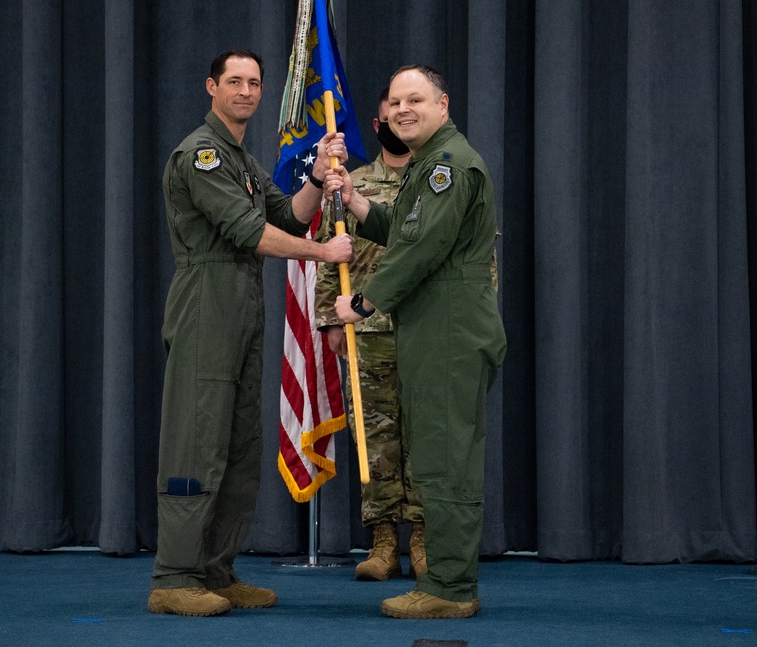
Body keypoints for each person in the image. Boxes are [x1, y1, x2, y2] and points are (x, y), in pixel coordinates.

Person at [148, 49, 353, 618]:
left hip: (240, 306)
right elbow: (249, 232)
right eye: (234, 81)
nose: (246, 90)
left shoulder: (241, 159)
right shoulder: (203, 155)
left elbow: (287, 215)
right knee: (196, 444)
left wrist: (315, 176)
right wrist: (323, 251)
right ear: (211, 86)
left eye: (255, 82)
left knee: (237, 446)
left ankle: (217, 571)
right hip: (205, 305)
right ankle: (174, 576)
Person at [325, 64, 506, 619]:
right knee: (435, 455)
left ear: (443, 104)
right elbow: (405, 228)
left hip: (449, 328)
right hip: (434, 327)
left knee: (445, 460)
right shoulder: (429, 164)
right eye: (396, 102)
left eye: (416, 100)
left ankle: (450, 589)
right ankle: (449, 582)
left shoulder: (446, 166)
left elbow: (419, 250)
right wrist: (357, 204)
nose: (403, 109)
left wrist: (361, 302)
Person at [313, 89, 424, 582]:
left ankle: (423, 538)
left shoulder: (437, 182)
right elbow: (328, 252)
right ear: (377, 124)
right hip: (368, 332)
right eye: (387, 118)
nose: (396, 125)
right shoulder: (351, 183)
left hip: (426, 331)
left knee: (425, 436)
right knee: (375, 439)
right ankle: (382, 542)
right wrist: (331, 321)